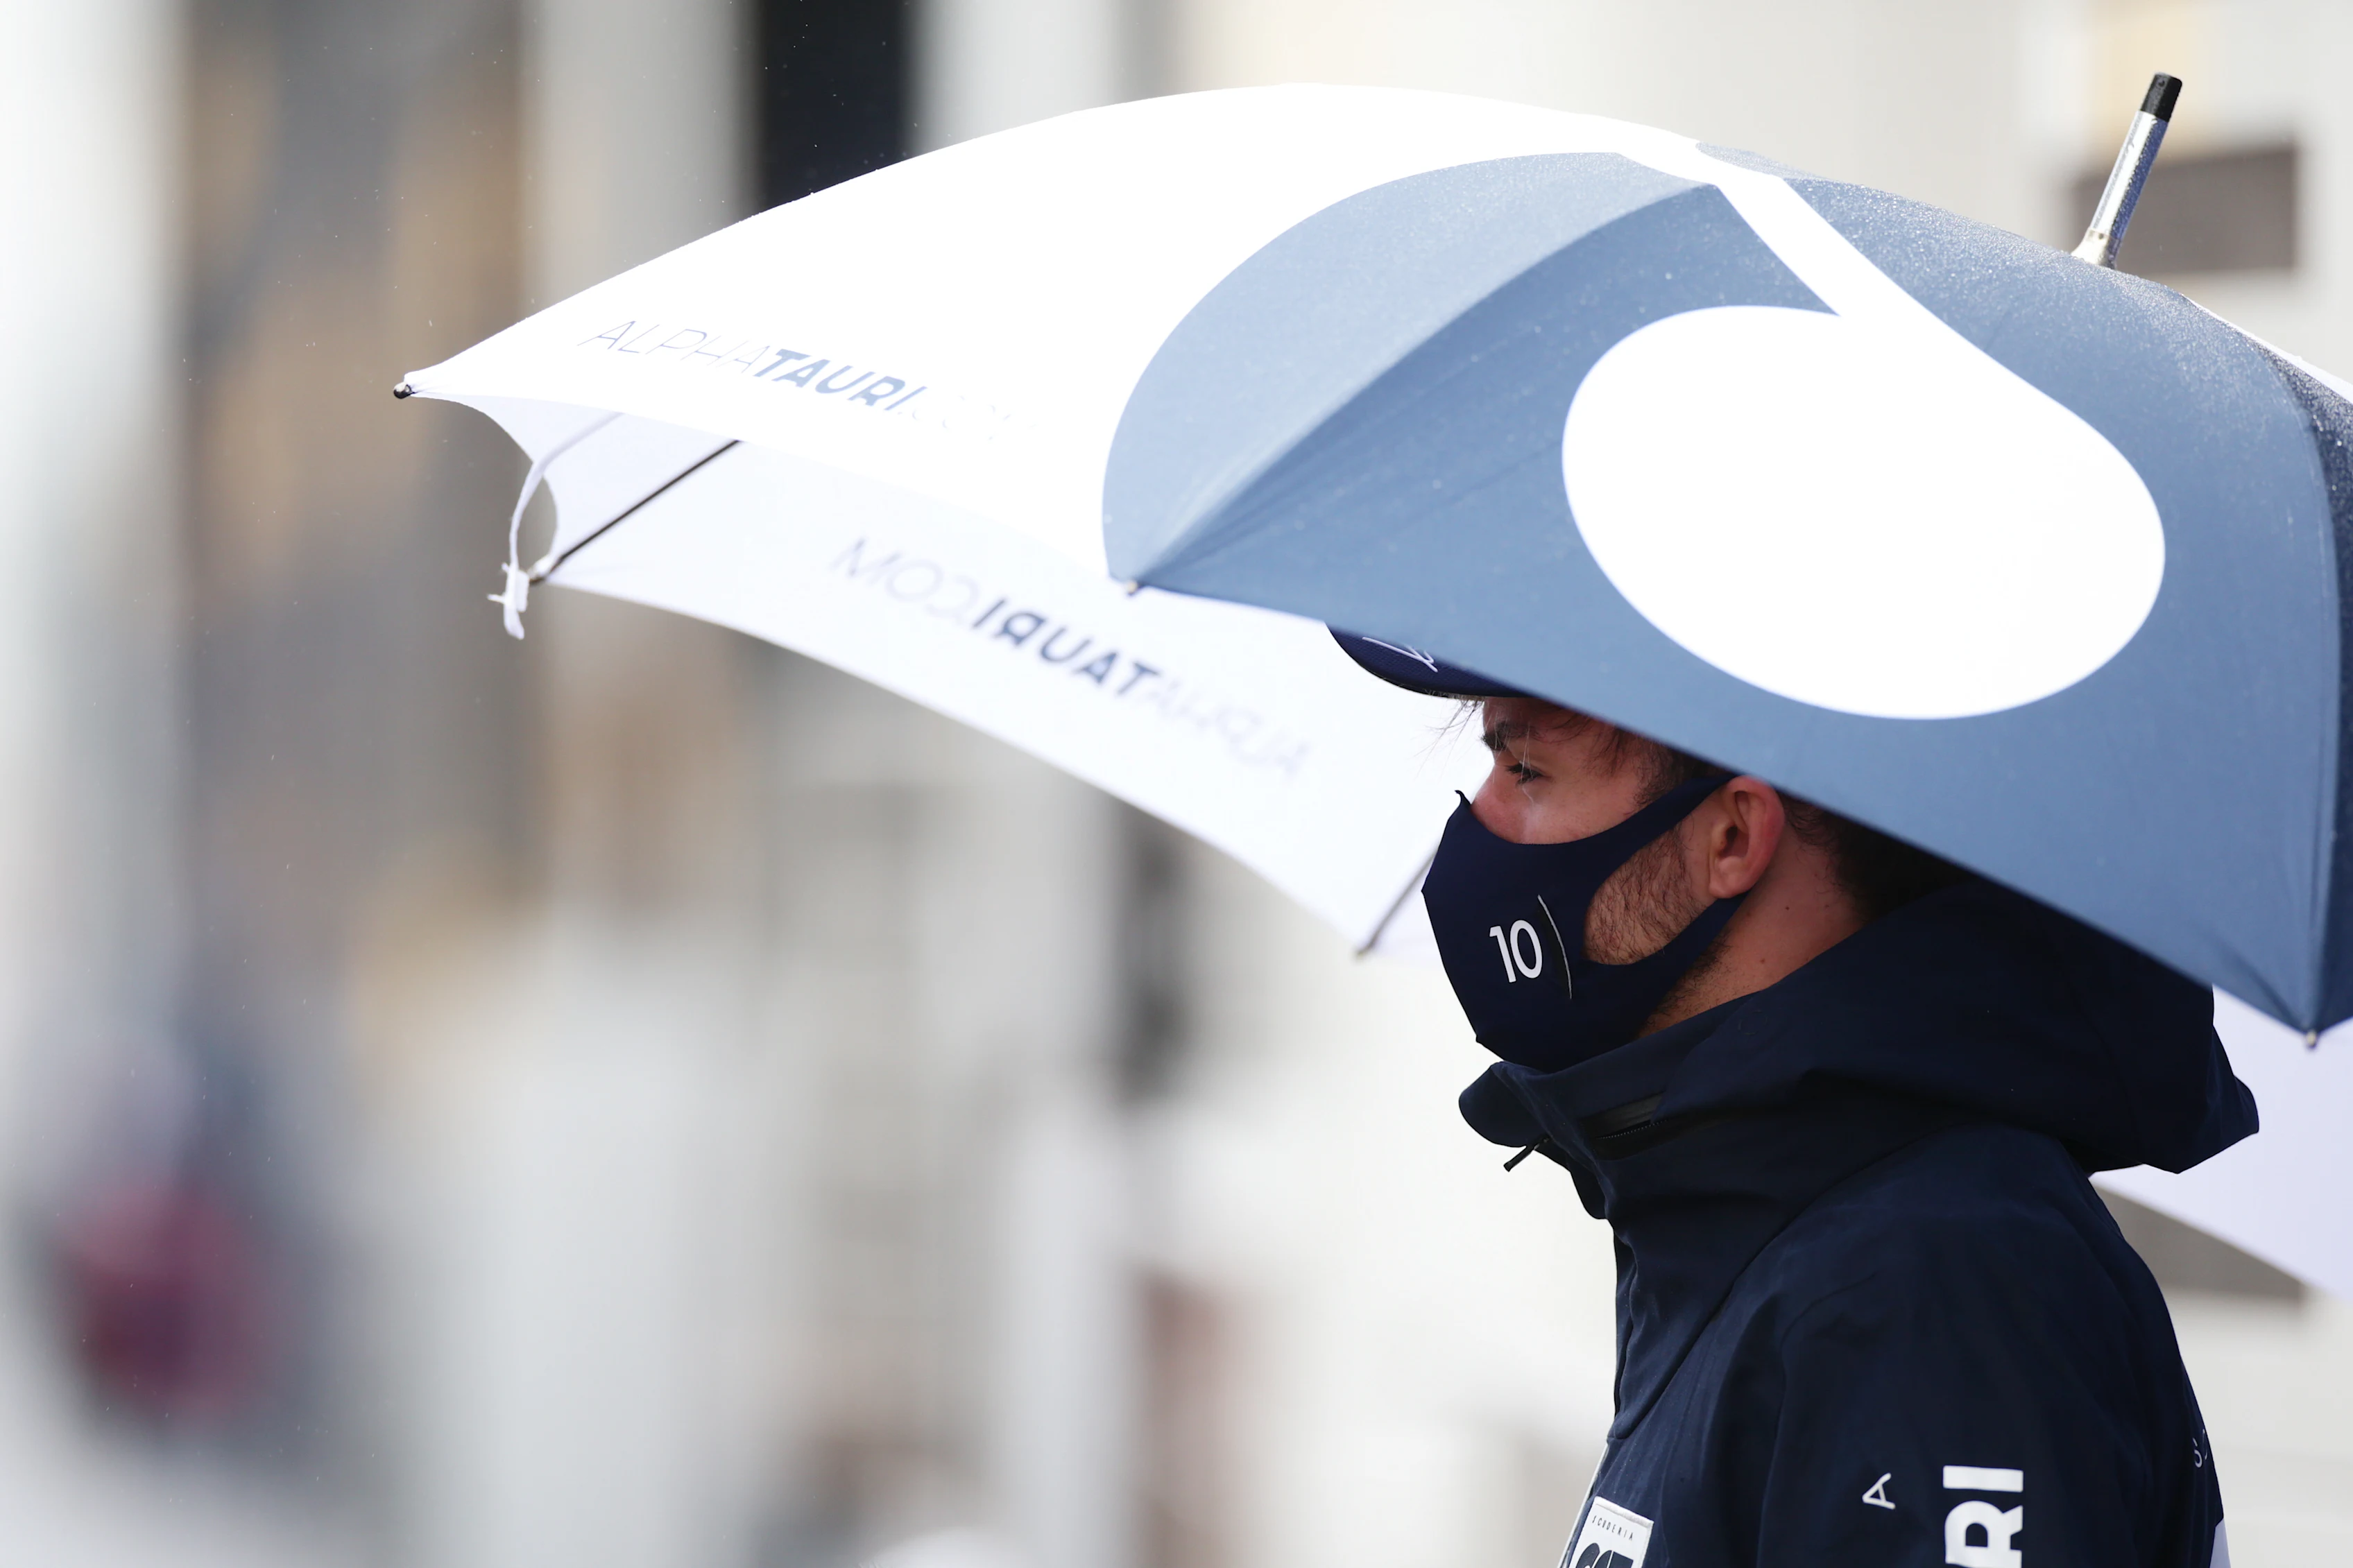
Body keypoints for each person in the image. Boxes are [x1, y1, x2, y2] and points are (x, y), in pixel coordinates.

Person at [1335, 635, 2254, 1568]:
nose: (1480, 818)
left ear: (1731, 835)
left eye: (1527, 768)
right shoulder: (1746, 1206)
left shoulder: (1933, 1280)